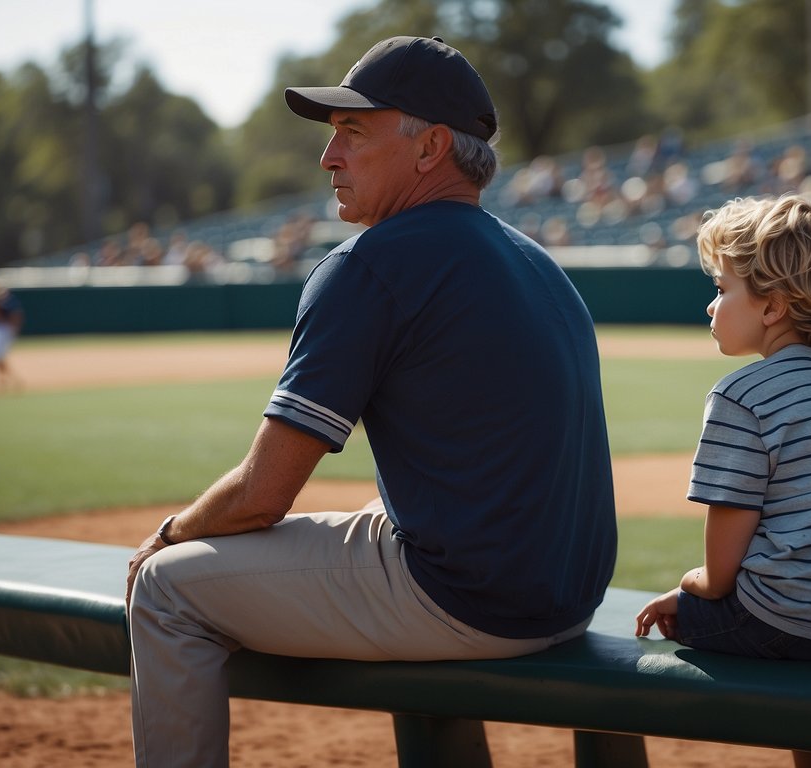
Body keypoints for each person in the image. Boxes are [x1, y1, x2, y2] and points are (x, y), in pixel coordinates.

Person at [125, 36, 617, 768]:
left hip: (468, 602)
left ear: (432, 149)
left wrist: (168, 534)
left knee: (165, 592)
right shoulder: (537, 261)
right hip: (571, 598)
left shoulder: (368, 265)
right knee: (375, 519)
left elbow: (263, 497)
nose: (328, 158)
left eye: (353, 132)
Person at [634, 194, 811, 768]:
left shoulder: (741, 394)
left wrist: (691, 589)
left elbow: (720, 574)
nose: (711, 306)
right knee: (800, 626)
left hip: (791, 621)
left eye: (722, 289)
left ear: (773, 307)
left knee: (694, 617)